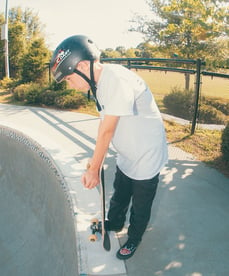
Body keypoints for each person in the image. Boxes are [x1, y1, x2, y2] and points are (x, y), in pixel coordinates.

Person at [50, 35, 168, 260]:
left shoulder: (115, 79)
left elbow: (107, 130)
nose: (70, 84)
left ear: (83, 66)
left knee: (141, 206)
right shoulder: (100, 84)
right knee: (120, 193)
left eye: (68, 78)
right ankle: (114, 222)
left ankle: (134, 238)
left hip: (147, 155)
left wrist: (94, 169)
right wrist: (97, 159)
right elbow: (103, 124)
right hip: (128, 152)